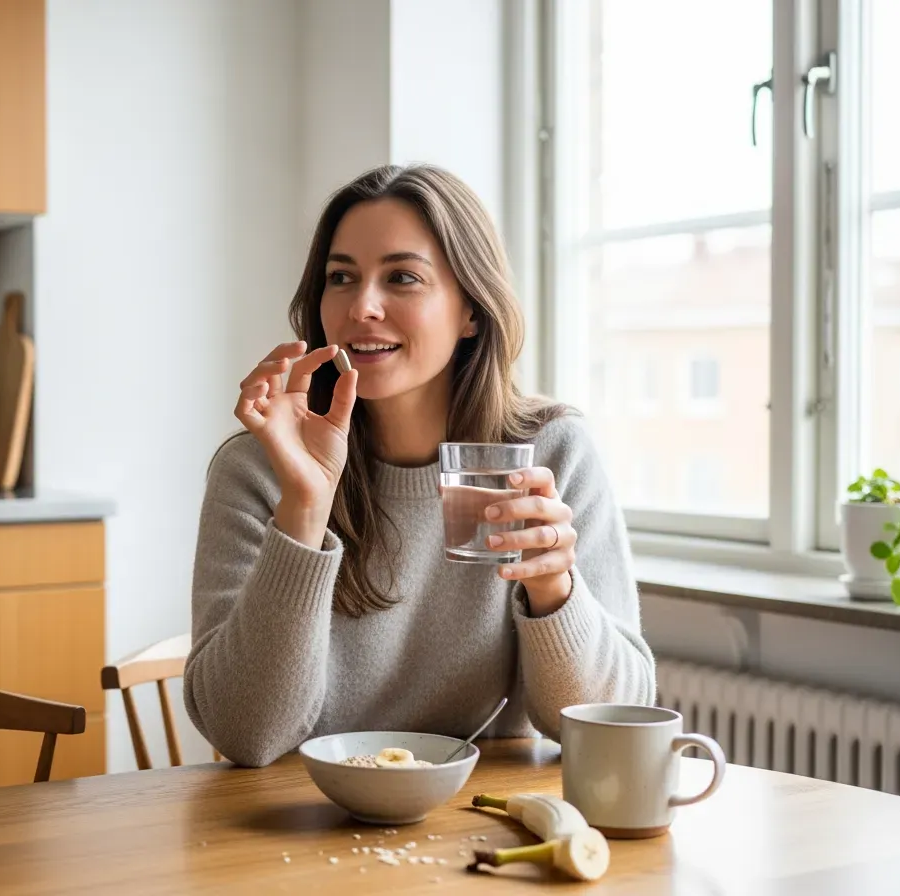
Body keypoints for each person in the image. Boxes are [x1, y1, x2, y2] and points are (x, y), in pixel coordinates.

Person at [183, 163, 655, 768]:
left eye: (402, 277)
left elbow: (611, 718)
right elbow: (246, 735)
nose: (364, 307)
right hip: (295, 823)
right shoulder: (259, 467)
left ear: (472, 311)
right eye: (341, 277)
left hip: (478, 819)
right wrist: (303, 508)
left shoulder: (552, 454)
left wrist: (553, 589)